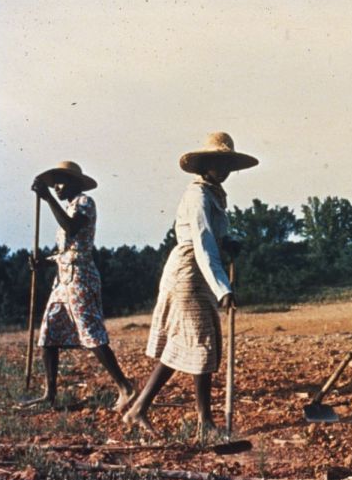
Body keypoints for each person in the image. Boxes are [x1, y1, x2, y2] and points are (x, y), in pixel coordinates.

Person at [123, 132, 257, 440]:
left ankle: (139, 408)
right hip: (189, 271)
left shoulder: (213, 194)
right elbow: (202, 241)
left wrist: (229, 242)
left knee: (187, 344)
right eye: (216, 162)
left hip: (199, 273)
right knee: (201, 343)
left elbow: (216, 237)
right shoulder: (197, 195)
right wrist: (223, 287)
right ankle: (205, 422)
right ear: (204, 163)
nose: (222, 168)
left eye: (227, 163)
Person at [24, 161, 135, 411]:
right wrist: (45, 261)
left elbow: (72, 228)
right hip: (62, 280)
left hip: (81, 278)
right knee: (49, 332)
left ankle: (126, 387)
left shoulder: (85, 202)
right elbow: (67, 250)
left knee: (90, 333)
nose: (57, 187)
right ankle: (49, 394)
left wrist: (48, 198)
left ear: (75, 183)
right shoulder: (68, 207)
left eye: (61, 182)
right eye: (54, 184)